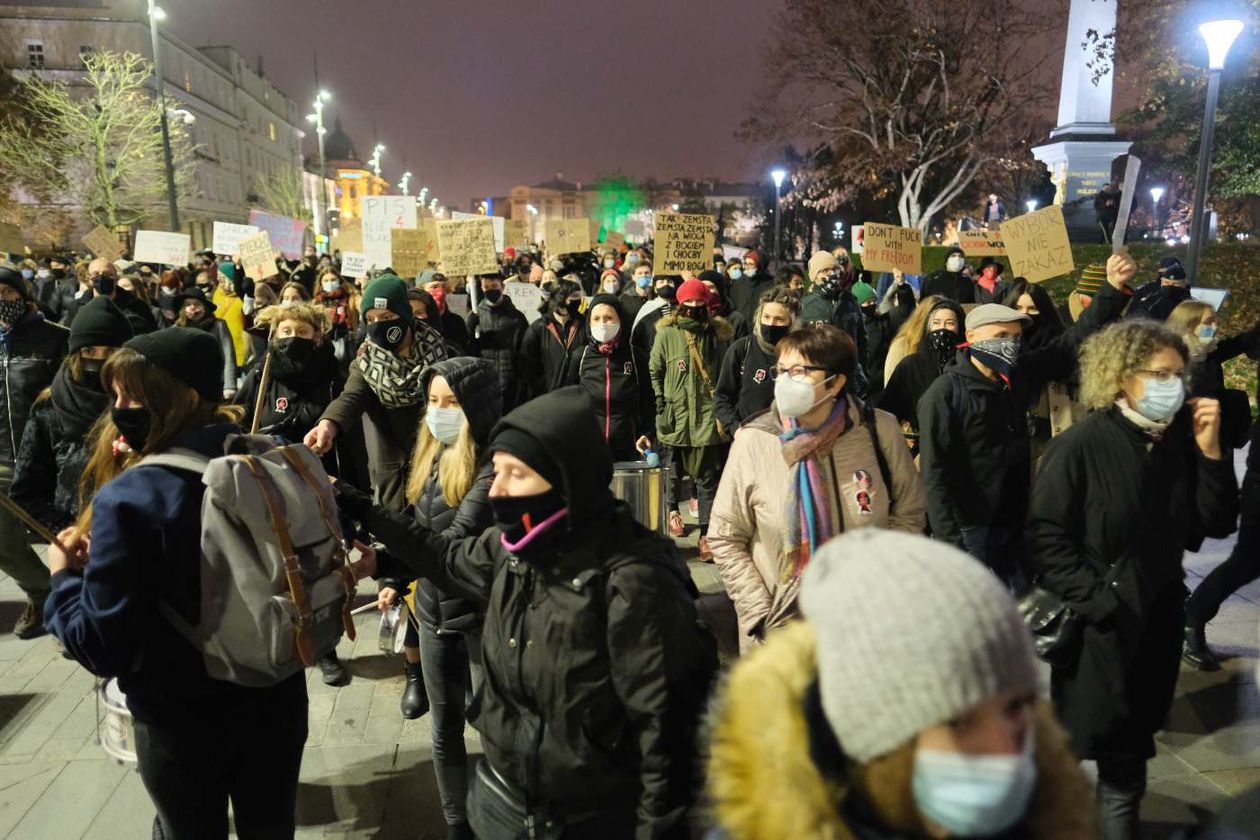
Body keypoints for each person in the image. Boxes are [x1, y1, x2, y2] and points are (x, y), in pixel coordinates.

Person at [333, 386, 718, 839]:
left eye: (515, 474)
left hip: (592, 820)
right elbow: (444, 557)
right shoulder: (513, 551)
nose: (497, 490)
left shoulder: (635, 583)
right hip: (506, 805)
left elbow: (669, 743)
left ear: (565, 479)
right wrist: (362, 510)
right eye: (496, 472)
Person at [43, 328, 371, 839]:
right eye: (115, 396)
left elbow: (100, 645)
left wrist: (61, 579)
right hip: (275, 692)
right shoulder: (269, 456)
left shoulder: (133, 497)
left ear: (184, 396)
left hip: (180, 722)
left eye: (133, 394)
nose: (120, 408)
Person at [707, 530, 1098, 839]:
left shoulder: (1050, 816)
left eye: (1016, 707)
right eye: (958, 721)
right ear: (876, 741)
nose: (1005, 748)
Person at [1029, 319, 1238, 839]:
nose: (1174, 384)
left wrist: (1212, 454)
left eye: (1179, 374)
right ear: (1122, 377)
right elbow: (1046, 538)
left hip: (1156, 626)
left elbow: (1213, 524)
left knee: (1127, 764)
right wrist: (1100, 604)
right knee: (1073, 748)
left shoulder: (1179, 446)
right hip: (1097, 633)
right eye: (1159, 374)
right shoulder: (1082, 445)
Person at [917, 253, 1135, 589]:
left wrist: (1112, 289)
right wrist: (950, 544)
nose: (1010, 345)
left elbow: (1072, 341)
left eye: (1016, 338)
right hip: (970, 528)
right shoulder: (944, 394)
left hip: (1016, 521)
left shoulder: (1017, 376)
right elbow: (934, 475)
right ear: (972, 338)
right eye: (1001, 335)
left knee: (1025, 608)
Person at [707, 326, 925, 651]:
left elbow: (908, 514)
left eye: (800, 371)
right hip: (778, 637)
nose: (785, 381)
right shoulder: (754, 439)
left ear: (836, 381)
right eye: (781, 371)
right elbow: (725, 537)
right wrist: (760, 613)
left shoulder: (879, 431)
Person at [370, 358, 500, 840]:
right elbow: (421, 531)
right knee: (444, 729)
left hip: (480, 616)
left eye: (452, 403)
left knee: (493, 724)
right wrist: (394, 578)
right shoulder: (427, 455)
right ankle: (457, 824)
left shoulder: (490, 465)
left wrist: (383, 559)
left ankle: (503, 812)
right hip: (432, 611)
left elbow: (456, 539)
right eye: (432, 402)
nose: (439, 413)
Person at [306, 273, 447, 514]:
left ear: (405, 316)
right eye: (370, 319)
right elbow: (351, 396)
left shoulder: (442, 353)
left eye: (387, 317)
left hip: (439, 461)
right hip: (394, 469)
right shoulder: (366, 362)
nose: (378, 325)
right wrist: (329, 424)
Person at [12, 297, 132, 535]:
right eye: (90, 350)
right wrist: (67, 532)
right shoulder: (49, 406)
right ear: (76, 353)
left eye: (111, 351)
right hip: (75, 548)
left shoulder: (140, 404)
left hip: (131, 541)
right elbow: (26, 493)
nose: (100, 359)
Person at [0, 265, 69, 637]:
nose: (0, 301)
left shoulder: (56, 339)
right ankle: (44, 594)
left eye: (6, 293)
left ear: (24, 296)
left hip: (47, 456)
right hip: (2, 458)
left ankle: (78, 602)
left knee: (62, 532)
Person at [650, 277, 732, 556]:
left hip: (706, 418)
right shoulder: (667, 334)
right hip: (676, 416)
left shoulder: (719, 336)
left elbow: (724, 376)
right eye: (689, 301)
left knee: (708, 477)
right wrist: (661, 401)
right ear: (679, 303)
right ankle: (673, 511)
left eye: (700, 301)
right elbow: (655, 369)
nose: (695, 306)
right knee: (673, 473)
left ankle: (707, 533)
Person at [563, 294, 655, 461]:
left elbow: (648, 401)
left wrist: (647, 433)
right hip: (589, 449)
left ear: (620, 320)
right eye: (596, 319)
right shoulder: (580, 357)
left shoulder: (635, 356)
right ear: (589, 323)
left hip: (627, 449)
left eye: (609, 318)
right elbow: (566, 400)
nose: (603, 324)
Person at [1001, 278, 1080, 463]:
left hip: (1050, 427)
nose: (1025, 315)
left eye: (1032, 309)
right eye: (1018, 308)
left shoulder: (1059, 344)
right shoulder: (1002, 345)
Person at [714, 287, 801, 433]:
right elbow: (722, 398)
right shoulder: (742, 349)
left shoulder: (801, 353)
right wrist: (737, 429)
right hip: (749, 439)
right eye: (766, 317)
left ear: (792, 322)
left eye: (779, 319)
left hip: (789, 439)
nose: (771, 324)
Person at [878, 297, 966, 438]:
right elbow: (884, 411)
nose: (942, 329)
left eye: (949, 323)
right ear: (928, 327)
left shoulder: (967, 366)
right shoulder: (911, 365)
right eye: (936, 323)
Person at [800, 250, 868, 397]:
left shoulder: (850, 301)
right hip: (819, 381)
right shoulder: (805, 306)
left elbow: (861, 340)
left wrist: (863, 374)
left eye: (834, 269)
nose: (831, 274)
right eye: (825, 270)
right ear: (815, 277)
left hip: (850, 380)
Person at [466, 272, 528, 412]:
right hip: (484, 381)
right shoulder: (476, 317)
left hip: (510, 381)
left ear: (503, 286)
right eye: (486, 287)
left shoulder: (516, 317)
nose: (490, 290)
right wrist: (469, 329)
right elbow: (468, 349)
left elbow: (523, 351)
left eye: (494, 286)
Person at [519, 280, 584, 399]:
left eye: (578, 296)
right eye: (573, 297)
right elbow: (527, 365)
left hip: (579, 395)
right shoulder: (538, 328)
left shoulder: (585, 324)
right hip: (548, 397)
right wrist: (543, 387)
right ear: (560, 299)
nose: (577, 301)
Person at [855, 273, 915, 398]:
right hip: (863, 387)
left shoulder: (883, 321)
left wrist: (901, 286)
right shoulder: (853, 328)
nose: (872, 305)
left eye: (873, 301)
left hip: (883, 382)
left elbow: (905, 311)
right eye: (867, 302)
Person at [173, 287, 238, 401]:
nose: (192, 307)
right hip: (187, 386)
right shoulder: (177, 328)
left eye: (197, 304)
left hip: (214, 382)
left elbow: (228, 355)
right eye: (188, 304)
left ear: (204, 306)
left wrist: (230, 385)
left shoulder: (218, 325)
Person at [314, 267, 360, 365]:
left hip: (348, 341)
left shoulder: (351, 297)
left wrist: (362, 288)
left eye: (333, 280)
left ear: (339, 280)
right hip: (325, 343)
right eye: (326, 280)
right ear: (321, 283)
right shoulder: (317, 302)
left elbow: (362, 306)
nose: (329, 283)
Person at [1125, 256, 1191, 322]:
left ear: (1183, 283)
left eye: (1176, 283)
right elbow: (1130, 318)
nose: (1171, 286)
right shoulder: (1147, 294)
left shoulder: (1189, 302)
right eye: (1167, 282)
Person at [631, 274, 680, 360]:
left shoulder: (681, 307)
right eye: (661, 282)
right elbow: (636, 339)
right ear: (655, 289)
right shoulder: (648, 308)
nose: (666, 284)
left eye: (670, 282)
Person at [421, 273, 472, 356]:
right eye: (434, 287)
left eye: (443, 287)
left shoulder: (456, 322)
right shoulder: (418, 323)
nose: (441, 292)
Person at [212, 262, 248, 370]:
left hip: (239, 348)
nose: (219, 281)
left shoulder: (243, 298)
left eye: (223, 278)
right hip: (219, 345)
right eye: (218, 277)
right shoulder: (217, 293)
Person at [730, 250, 773, 324]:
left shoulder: (771, 284)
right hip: (742, 327)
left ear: (760, 266)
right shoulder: (739, 283)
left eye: (751, 264)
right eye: (745, 264)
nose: (747, 267)